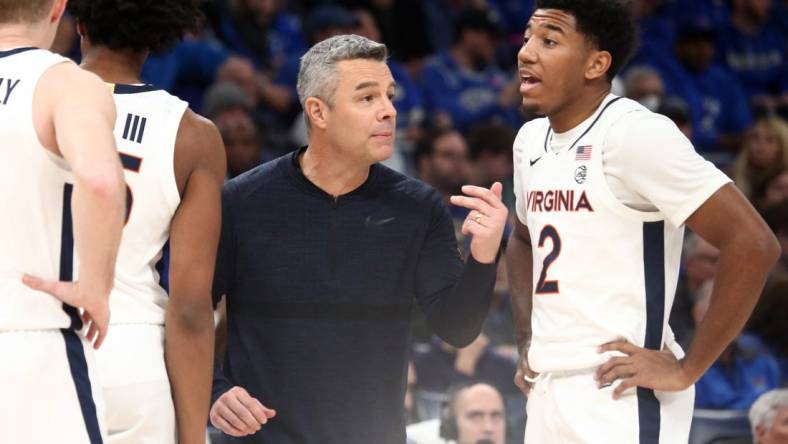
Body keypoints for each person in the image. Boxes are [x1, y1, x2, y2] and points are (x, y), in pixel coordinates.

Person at [209, 34, 508, 443]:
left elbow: (456, 328)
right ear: (318, 112)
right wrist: (215, 390)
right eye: (367, 98)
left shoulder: (419, 208)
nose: (388, 111)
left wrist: (485, 254)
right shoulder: (241, 202)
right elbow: (189, 313)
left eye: (389, 96)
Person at [507, 1, 780, 443]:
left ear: (596, 64)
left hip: (621, 389)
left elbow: (753, 243)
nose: (526, 52)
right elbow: (521, 239)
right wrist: (527, 340)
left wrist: (689, 368)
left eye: (549, 40)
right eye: (527, 37)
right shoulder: (529, 141)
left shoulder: (633, 134)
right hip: (548, 386)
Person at [69, 0, 227, 442]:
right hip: (131, 357)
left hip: (30, 344)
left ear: (79, 23)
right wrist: (194, 435)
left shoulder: (21, 104)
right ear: (162, 38)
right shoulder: (192, 133)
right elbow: (192, 309)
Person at [0, 0, 126, 442]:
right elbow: (100, 181)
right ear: (58, 8)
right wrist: (96, 286)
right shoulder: (66, 84)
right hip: (31, 338)